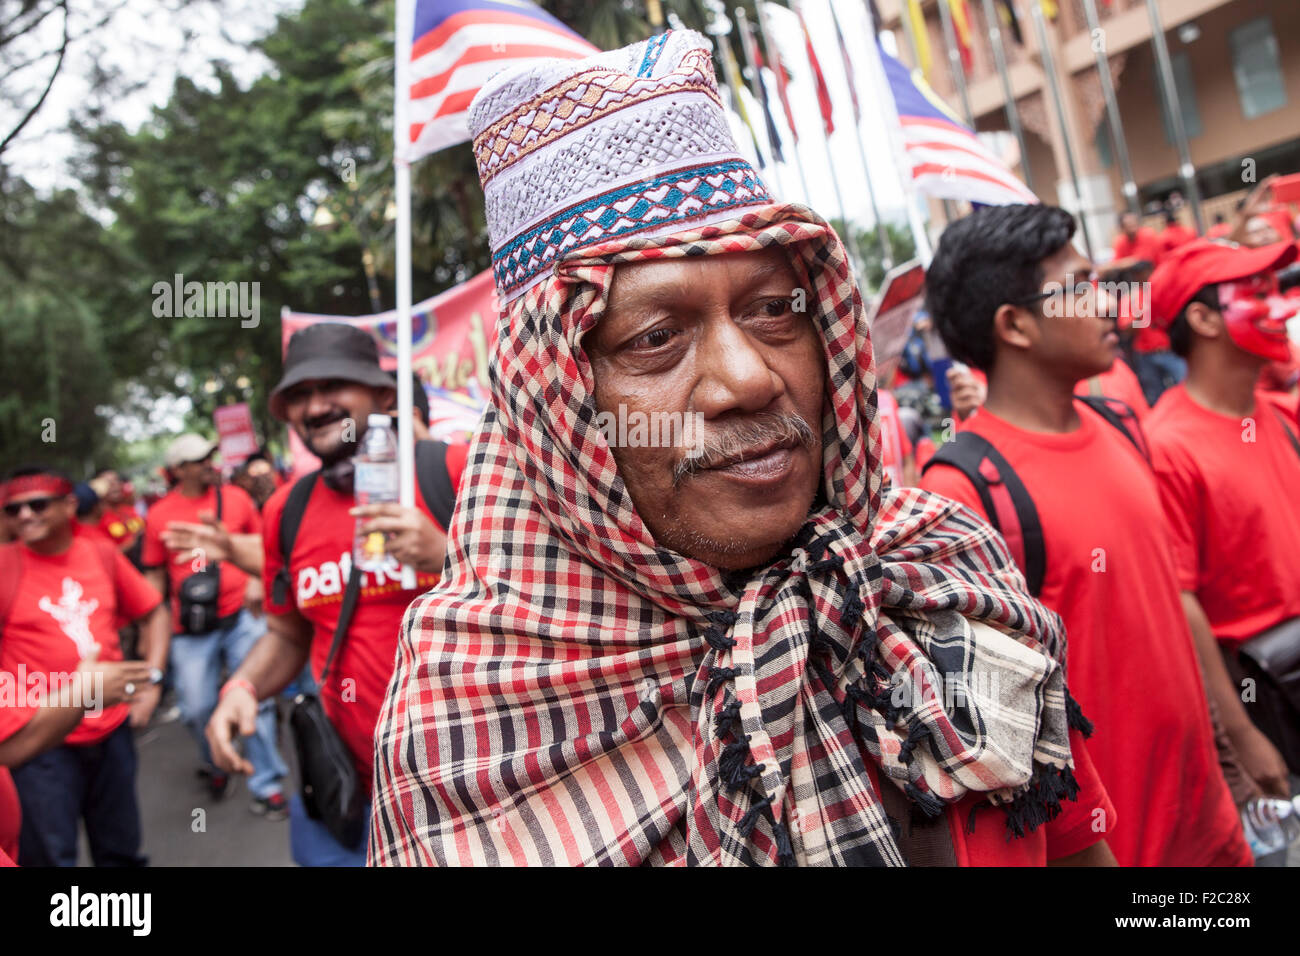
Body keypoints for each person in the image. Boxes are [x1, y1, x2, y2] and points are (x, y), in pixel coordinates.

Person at [369, 32, 1116, 867]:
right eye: (655, 337)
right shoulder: (471, 717)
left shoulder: (937, 569)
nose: (748, 380)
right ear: (557, 404)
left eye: (773, 311)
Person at [919, 203, 1250, 866]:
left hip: (1210, 828)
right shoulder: (964, 491)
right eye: (1079, 286)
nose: (1107, 302)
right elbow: (999, 733)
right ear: (1014, 325)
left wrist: (1231, 740)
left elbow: (1166, 610)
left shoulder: (1124, 423)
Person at [205, 323, 467, 866]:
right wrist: (242, 688)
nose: (316, 406)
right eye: (299, 394)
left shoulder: (454, 472)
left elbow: (550, 602)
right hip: (348, 787)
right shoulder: (286, 509)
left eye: (334, 387)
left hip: (468, 787)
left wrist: (449, 556)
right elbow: (286, 633)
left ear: (383, 396)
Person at [1144, 238, 1300, 797]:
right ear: (1204, 319)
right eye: (1257, 293)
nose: (1281, 307)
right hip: (1268, 692)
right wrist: (1242, 735)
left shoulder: (1281, 414)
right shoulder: (1169, 446)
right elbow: (1182, 601)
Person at [0, 466, 169, 866]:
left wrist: (154, 682)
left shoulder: (100, 553)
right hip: (40, 746)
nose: (25, 516)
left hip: (111, 732)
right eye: (13, 510)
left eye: (37, 504)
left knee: (121, 851)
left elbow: (154, 612)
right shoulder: (4, 567)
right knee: (50, 857)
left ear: (69, 504)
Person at [141, 435, 288, 816]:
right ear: (179, 470)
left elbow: (263, 545)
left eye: (210, 455)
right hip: (190, 628)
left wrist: (256, 580)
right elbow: (155, 575)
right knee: (196, 706)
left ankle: (266, 782)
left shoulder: (235, 499)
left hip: (241, 616)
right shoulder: (159, 514)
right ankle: (218, 758)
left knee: (257, 699)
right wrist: (145, 619)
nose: (210, 462)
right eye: (198, 459)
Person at [93, 468, 146, 560]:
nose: (114, 485)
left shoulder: (130, 510)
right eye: (108, 482)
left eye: (116, 480)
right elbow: (105, 556)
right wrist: (134, 541)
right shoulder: (96, 519)